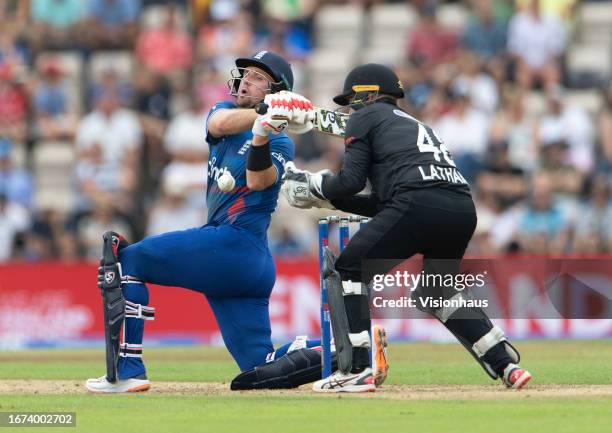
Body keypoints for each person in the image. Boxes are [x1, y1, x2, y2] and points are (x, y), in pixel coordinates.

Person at [85, 51, 374, 393]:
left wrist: (264, 134)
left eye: (256, 77)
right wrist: (263, 114)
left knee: (129, 260)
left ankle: (128, 369)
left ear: (276, 90)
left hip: (236, 245)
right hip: (243, 262)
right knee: (259, 367)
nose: (244, 80)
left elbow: (259, 181)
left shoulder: (281, 141)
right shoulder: (224, 113)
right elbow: (218, 125)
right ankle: (353, 354)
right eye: (245, 74)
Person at [282, 63, 532, 392]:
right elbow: (383, 203)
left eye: (350, 100)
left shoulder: (365, 117)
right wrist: (325, 199)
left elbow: (351, 181)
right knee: (438, 289)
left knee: (347, 269)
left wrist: (315, 185)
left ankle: (355, 369)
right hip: (459, 208)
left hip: (418, 204)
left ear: (367, 95)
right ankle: (506, 364)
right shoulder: (414, 125)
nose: (348, 109)